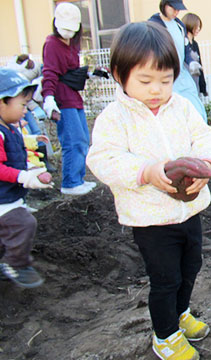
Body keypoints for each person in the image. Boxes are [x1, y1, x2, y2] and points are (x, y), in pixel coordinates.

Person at [86, 22, 211, 360]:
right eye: (145, 81)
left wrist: (207, 164)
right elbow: (102, 160)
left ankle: (179, 314)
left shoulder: (182, 107)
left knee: (191, 267)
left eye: (165, 80)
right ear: (120, 74)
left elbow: (205, 137)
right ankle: (165, 336)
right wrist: (145, 171)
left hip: (189, 209)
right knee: (165, 278)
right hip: (150, 219)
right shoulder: (115, 118)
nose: (157, 90)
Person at [0, 68, 53, 288]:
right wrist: (26, 177)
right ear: (3, 102)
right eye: (22, 105)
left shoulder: (9, 129)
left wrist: (30, 141)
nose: (25, 110)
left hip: (10, 197)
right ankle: (16, 264)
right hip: (3, 201)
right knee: (24, 224)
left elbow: (15, 151)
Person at [41, 2, 96, 195]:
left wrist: (90, 74)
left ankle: (78, 178)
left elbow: (71, 72)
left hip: (74, 96)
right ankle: (70, 183)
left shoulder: (73, 44)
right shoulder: (52, 44)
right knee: (72, 140)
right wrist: (48, 98)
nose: (67, 33)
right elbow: (50, 73)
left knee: (82, 139)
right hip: (62, 99)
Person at [149, 0, 207, 122]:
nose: (177, 12)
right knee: (172, 115)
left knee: (197, 110)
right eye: (174, 8)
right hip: (165, 77)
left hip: (183, 75)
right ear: (165, 5)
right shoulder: (153, 25)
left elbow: (186, 48)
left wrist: (191, 61)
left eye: (179, 9)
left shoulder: (179, 25)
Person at [182, 13, 208, 98]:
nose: (198, 29)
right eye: (196, 26)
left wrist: (203, 87)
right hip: (185, 83)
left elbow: (200, 65)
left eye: (199, 26)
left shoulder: (195, 44)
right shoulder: (182, 43)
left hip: (195, 82)